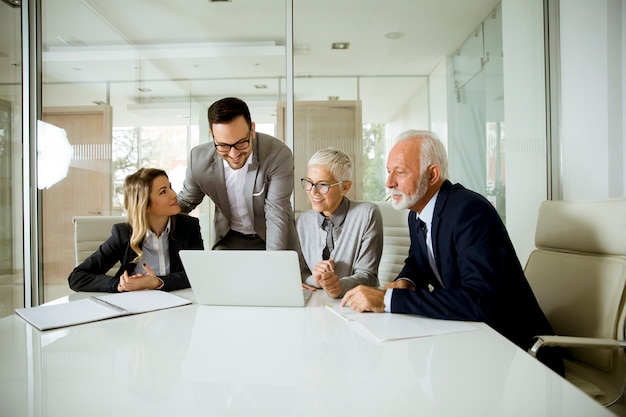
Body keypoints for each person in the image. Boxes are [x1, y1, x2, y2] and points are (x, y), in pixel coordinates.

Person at [341, 130, 563, 374]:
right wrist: (407, 280)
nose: (389, 182)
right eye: (388, 171)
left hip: (518, 355)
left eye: (400, 172)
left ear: (432, 174)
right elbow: (418, 262)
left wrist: (387, 300)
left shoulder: (470, 211)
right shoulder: (418, 213)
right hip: (471, 343)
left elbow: (478, 301)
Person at [177, 97, 296, 250]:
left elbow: (276, 213)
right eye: (223, 145)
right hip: (228, 237)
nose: (234, 154)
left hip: (269, 236)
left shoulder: (277, 154)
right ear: (212, 135)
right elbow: (186, 202)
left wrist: (273, 262)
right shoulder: (198, 159)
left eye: (241, 143)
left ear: (252, 130)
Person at [68, 168, 204, 292]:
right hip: (135, 305)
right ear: (145, 205)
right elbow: (77, 277)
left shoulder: (188, 226)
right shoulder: (123, 234)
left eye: (170, 187)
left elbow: (198, 274)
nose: (174, 194)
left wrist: (157, 282)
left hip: (178, 302)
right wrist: (119, 284)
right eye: (163, 192)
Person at [296, 147, 383, 298]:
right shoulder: (303, 221)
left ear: (345, 187)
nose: (313, 192)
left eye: (323, 185)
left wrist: (339, 286)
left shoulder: (367, 214)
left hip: (355, 305)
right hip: (316, 303)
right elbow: (300, 273)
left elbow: (368, 275)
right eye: (309, 182)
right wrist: (315, 280)